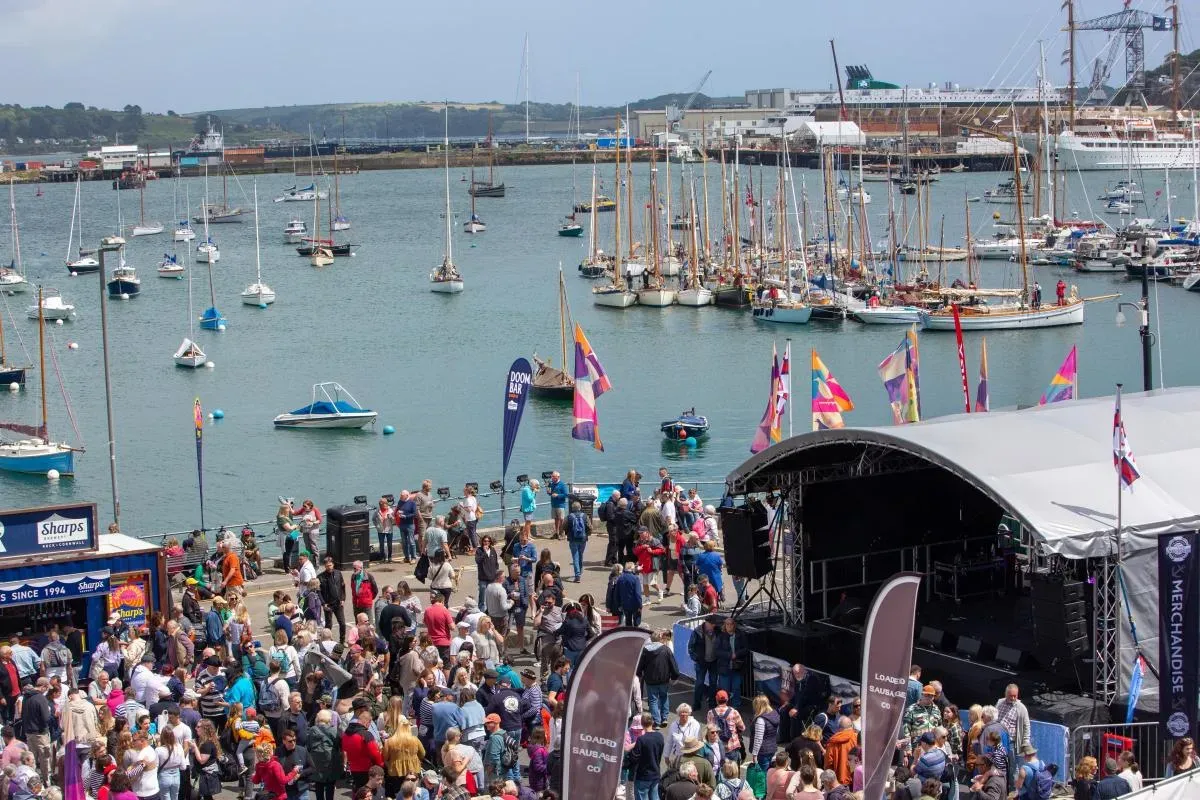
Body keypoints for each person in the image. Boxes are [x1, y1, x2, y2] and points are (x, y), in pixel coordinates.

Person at [638, 631, 679, 727]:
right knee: (664, 697)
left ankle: (656, 720)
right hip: (664, 679)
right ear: (660, 639)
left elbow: (640, 665)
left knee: (653, 700)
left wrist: (639, 674)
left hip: (650, 680)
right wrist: (674, 676)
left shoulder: (645, 650)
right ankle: (664, 718)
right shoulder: (666, 649)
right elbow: (673, 664)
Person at [343, 707, 384, 789]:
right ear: (367, 722)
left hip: (353, 769)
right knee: (368, 792)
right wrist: (381, 766)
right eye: (370, 723)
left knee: (358, 791)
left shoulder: (346, 734)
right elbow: (375, 754)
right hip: (367, 769)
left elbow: (344, 750)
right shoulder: (366, 735)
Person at [688, 616, 719, 713]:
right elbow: (691, 647)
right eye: (712, 624)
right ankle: (697, 704)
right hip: (701, 662)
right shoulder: (697, 632)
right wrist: (696, 658)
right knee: (699, 683)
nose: (713, 626)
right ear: (706, 623)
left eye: (714, 624)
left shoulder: (717, 631)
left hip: (714, 662)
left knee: (713, 683)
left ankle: (712, 703)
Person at [629, 714, 663, 800]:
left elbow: (634, 757)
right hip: (655, 773)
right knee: (655, 797)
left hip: (643, 775)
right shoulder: (660, 736)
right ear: (652, 722)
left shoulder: (641, 739)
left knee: (642, 797)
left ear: (642, 723)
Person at [748, 694, 780, 773]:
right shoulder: (774, 715)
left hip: (763, 751)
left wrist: (755, 754)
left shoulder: (761, 720)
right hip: (772, 748)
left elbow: (758, 739)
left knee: (763, 774)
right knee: (769, 772)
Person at [564, 502, 590, 582]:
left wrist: (567, 533)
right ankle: (580, 570)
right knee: (580, 554)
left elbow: (564, 526)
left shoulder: (569, 517)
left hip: (573, 539)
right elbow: (589, 526)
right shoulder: (585, 516)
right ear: (580, 507)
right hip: (583, 539)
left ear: (572, 508)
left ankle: (577, 575)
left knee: (575, 556)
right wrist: (587, 534)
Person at [614, 563, 643, 627]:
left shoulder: (620, 578)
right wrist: (640, 605)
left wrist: (619, 605)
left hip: (625, 605)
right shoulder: (635, 578)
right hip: (635, 605)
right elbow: (638, 594)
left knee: (628, 622)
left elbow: (617, 593)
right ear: (632, 569)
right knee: (636, 623)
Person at [372, 497, 396, 563]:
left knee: (389, 544)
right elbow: (373, 519)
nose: (381, 505)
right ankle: (383, 558)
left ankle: (390, 557)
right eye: (380, 504)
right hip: (381, 530)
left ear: (386, 504)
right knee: (381, 544)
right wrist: (377, 526)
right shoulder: (377, 511)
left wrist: (391, 517)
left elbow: (394, 521)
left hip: (389, 530)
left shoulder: (390, 511)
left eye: (382, 504)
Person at [546, 472, 569, 539]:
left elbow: (566, 495)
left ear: (558, 477)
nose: (552, 478)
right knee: (556, 519)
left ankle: (562, 533)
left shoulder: (562, 485)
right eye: (552, 476)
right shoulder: (552, 484)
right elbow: (550, 493)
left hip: (560, 505)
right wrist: (549, 492)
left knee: (561, 519)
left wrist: (558, 495)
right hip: (553, 504)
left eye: (553, 477)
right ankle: (557, 533)